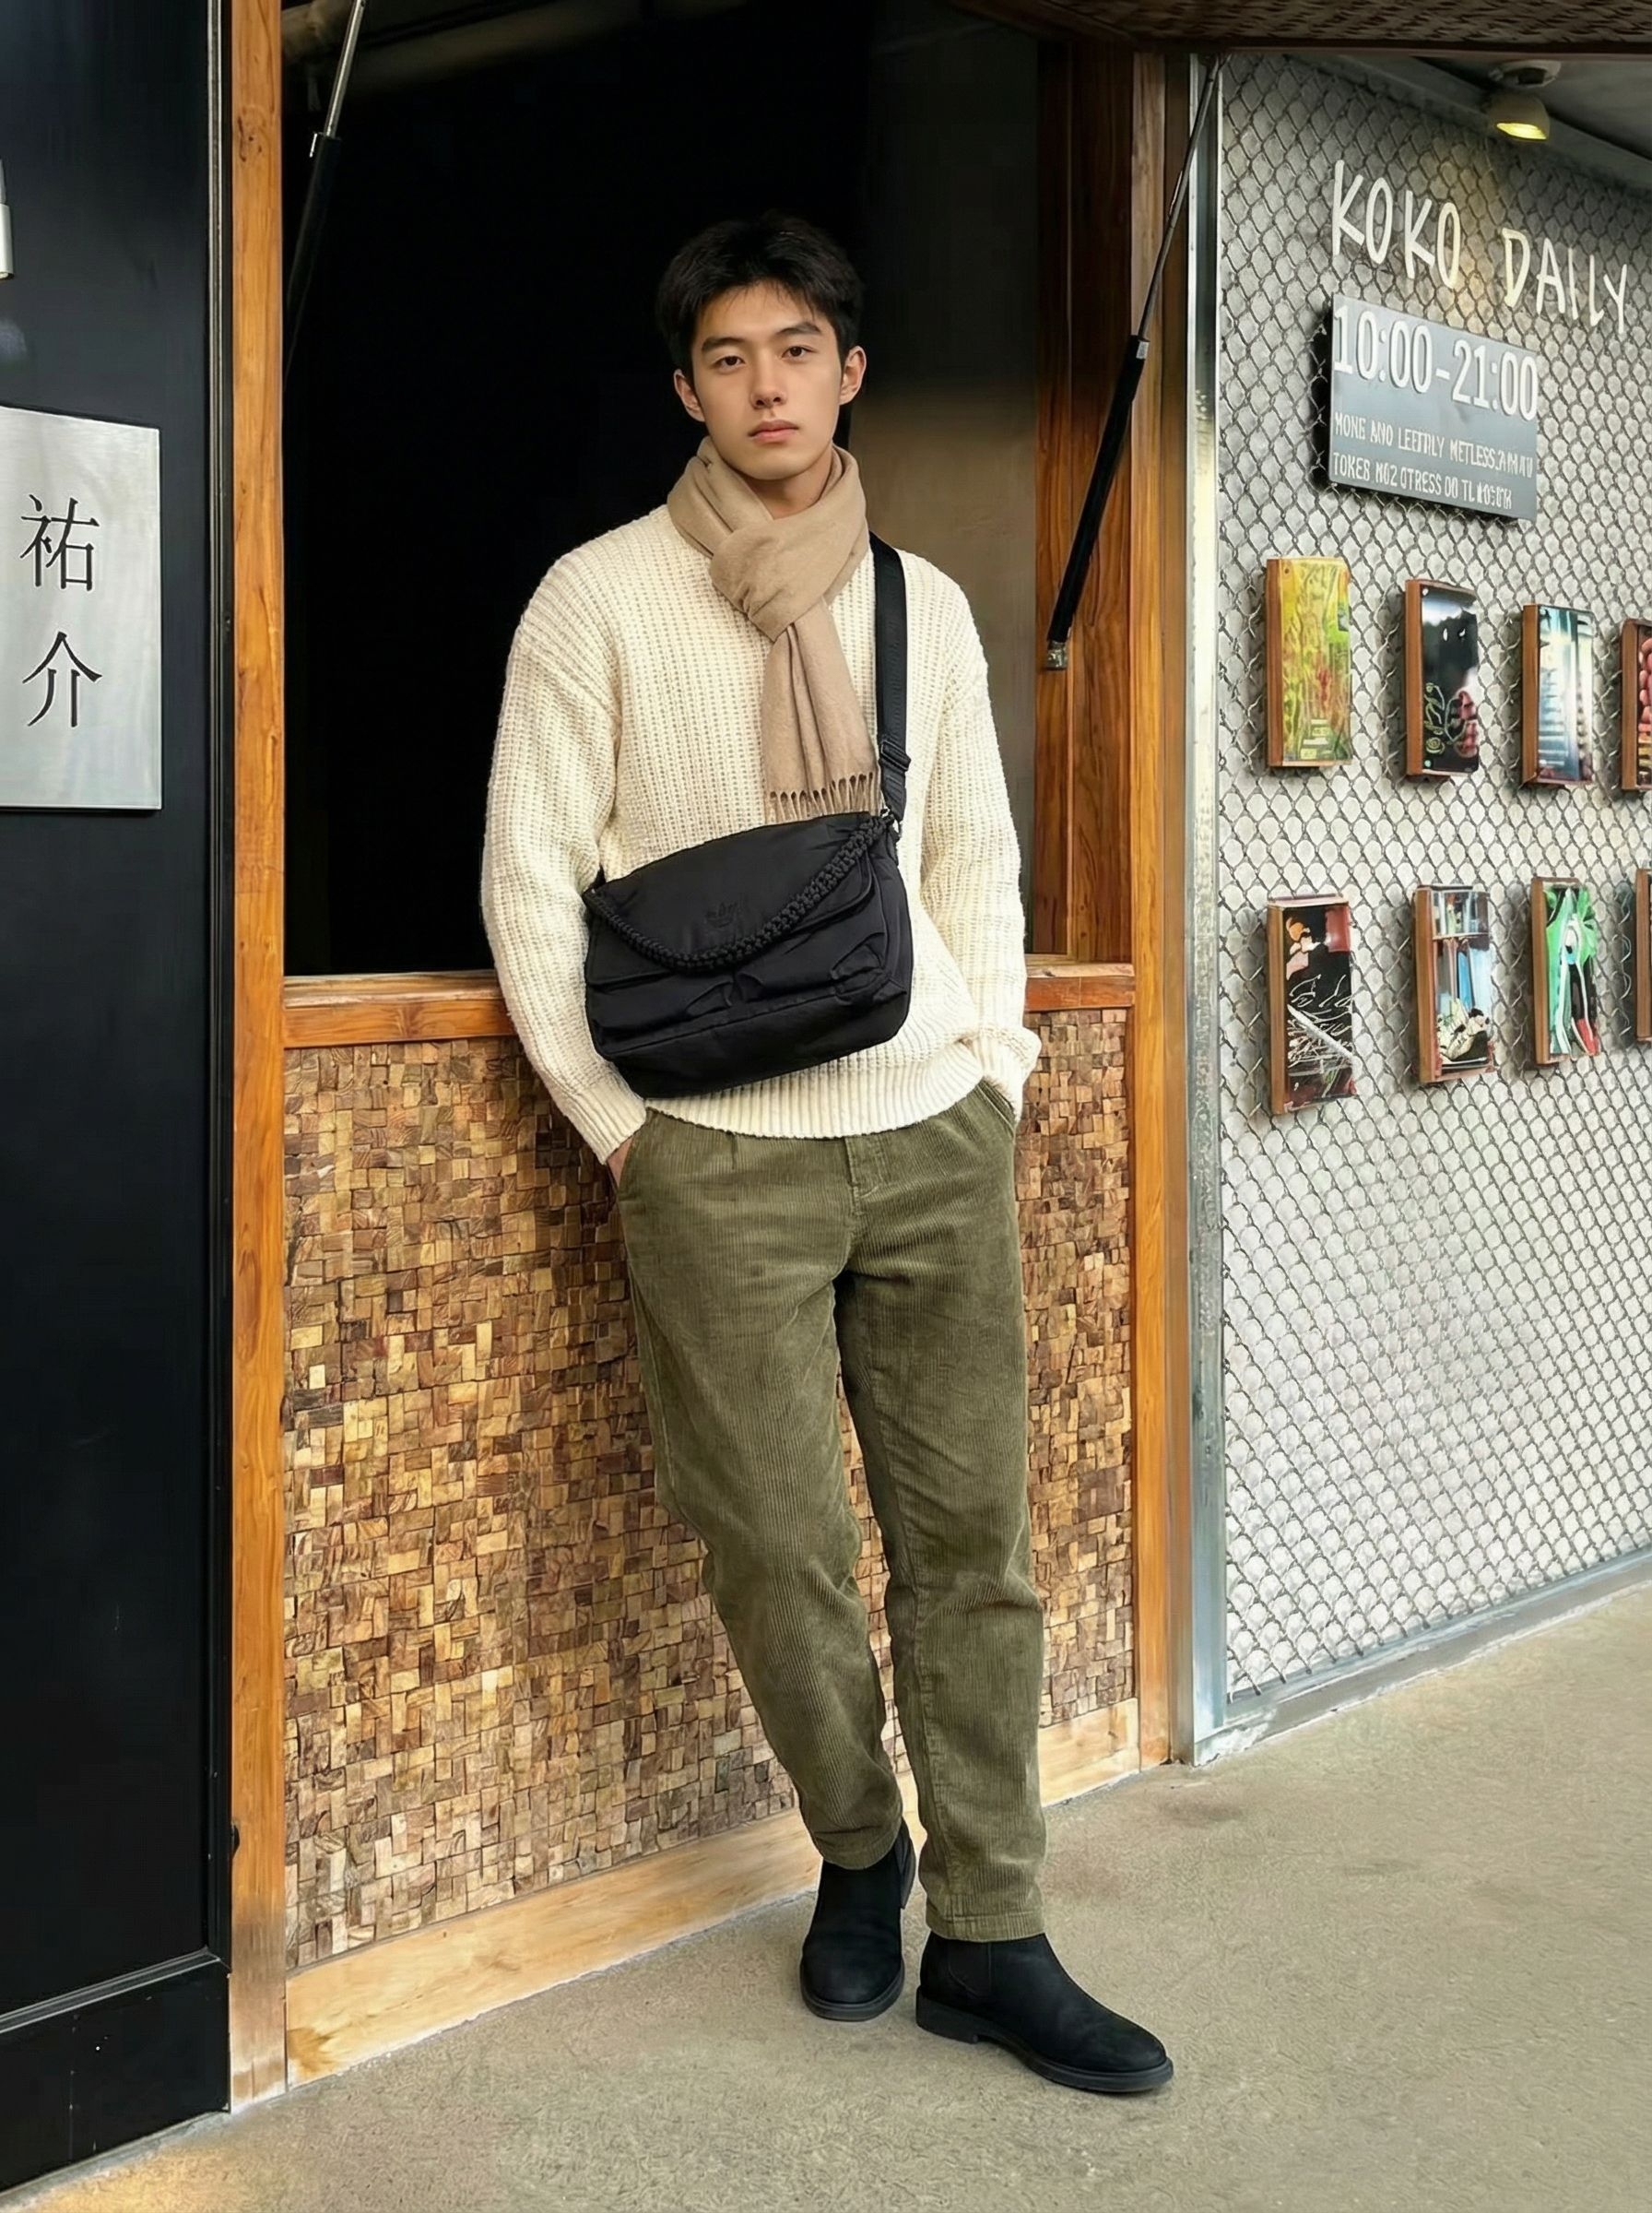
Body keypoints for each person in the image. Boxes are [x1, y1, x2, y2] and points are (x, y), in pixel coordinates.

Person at [480, 210, 1171, 2096]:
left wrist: (994, 1070)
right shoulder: (595, 601)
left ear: (848, 373)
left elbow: (974, 865)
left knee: (974, 1555)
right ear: (686, 391)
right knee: (773, 1550)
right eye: (729, 357)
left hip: (928, 1133)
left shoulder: (915, 604)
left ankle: (996, 1933)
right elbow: (529, 882)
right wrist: (623, 1131)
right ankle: (861, 1857)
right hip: (714, 1157)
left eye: (797, 349)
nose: (766, 385)